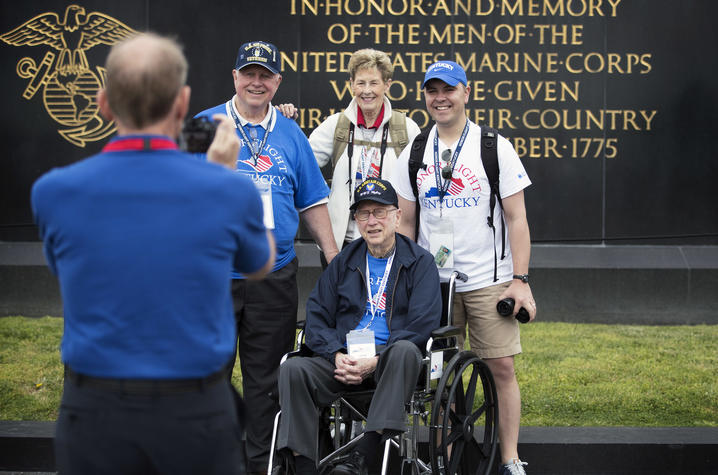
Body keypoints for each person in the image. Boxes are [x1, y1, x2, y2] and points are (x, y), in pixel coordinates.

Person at [31, 33, 275, 475]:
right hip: (195, 412)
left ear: (103, 103)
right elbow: (260, 262)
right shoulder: (227, 191)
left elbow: (63, 265)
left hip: (94, 412)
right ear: (182, 104)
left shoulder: (53, 192)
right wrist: (222, 178)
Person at [194, 40, 339, 475]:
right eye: (249, 73)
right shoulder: (204, 126)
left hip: (273, 279)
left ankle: (262, 468)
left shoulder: (292, 133)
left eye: (266, 75)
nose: (256, 81)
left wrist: (333, 255)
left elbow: (312, 200)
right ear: (235, 77)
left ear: (277, 81)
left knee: (267, 386)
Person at [390, 61, 537, 475]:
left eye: (448, 89)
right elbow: (404, 221)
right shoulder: (416, 150)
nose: (441, 97)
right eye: (432, 90)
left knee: (502, 368)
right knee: (440, 379)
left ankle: (510, 458)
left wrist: (520, 281)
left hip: (489, 280)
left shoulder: (493, 146)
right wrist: (403, 279)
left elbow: (517, 218)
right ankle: (445, 463)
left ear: (465, 92)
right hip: (434, 285)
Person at [276, 179, 441, 475]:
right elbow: (316, 316)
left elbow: (422, 324)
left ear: (397, 216)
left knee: (404, 350)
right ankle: (303, 466)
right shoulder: (343, 262)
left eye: (380, 212)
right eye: (364, 214)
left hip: (389, 363)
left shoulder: (420, 263)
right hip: (344, 360)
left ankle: (363, 457)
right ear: (356, 221)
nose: (372, 221)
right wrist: (336, 354)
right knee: (294, 369)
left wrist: (374, 360)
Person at [280, 49, 421, 261]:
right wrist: (284, 124)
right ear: (352, 85)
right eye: (361, 83)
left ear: (387, 85)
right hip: (342, 245)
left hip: (389, 245)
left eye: (374, 83)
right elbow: (298, 164)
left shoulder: (406, 129)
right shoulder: (336, 125)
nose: (367, 91)